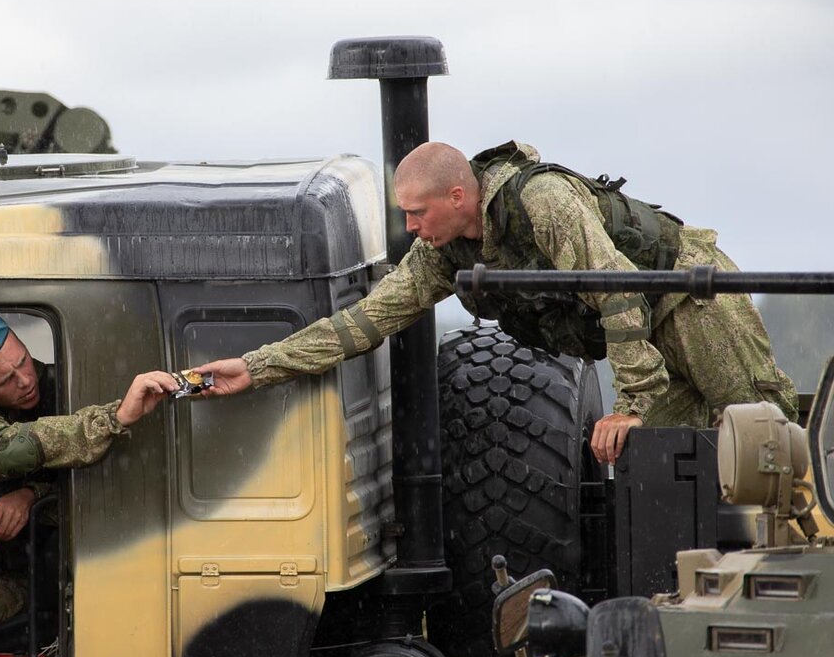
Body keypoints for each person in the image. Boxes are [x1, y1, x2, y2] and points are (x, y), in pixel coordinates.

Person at [191, 141, 797, 464]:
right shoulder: (443, 253)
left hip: (686, 297)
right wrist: (255, 367)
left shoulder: (543, 202)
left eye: (418, 212)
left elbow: (615, 287)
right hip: (639, 334)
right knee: (688, 469)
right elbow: (363, 322)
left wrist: (632, 401)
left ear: (458, 196)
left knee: (765, 438)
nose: (410, 226)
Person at [0, 313, 178, 649]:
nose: (25, 380)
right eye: (7, 380)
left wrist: (30, 495)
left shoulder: (40, 380)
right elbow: (8, 450)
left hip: (11, 569)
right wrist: (113, 418)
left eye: (23, 361)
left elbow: (78, 480)